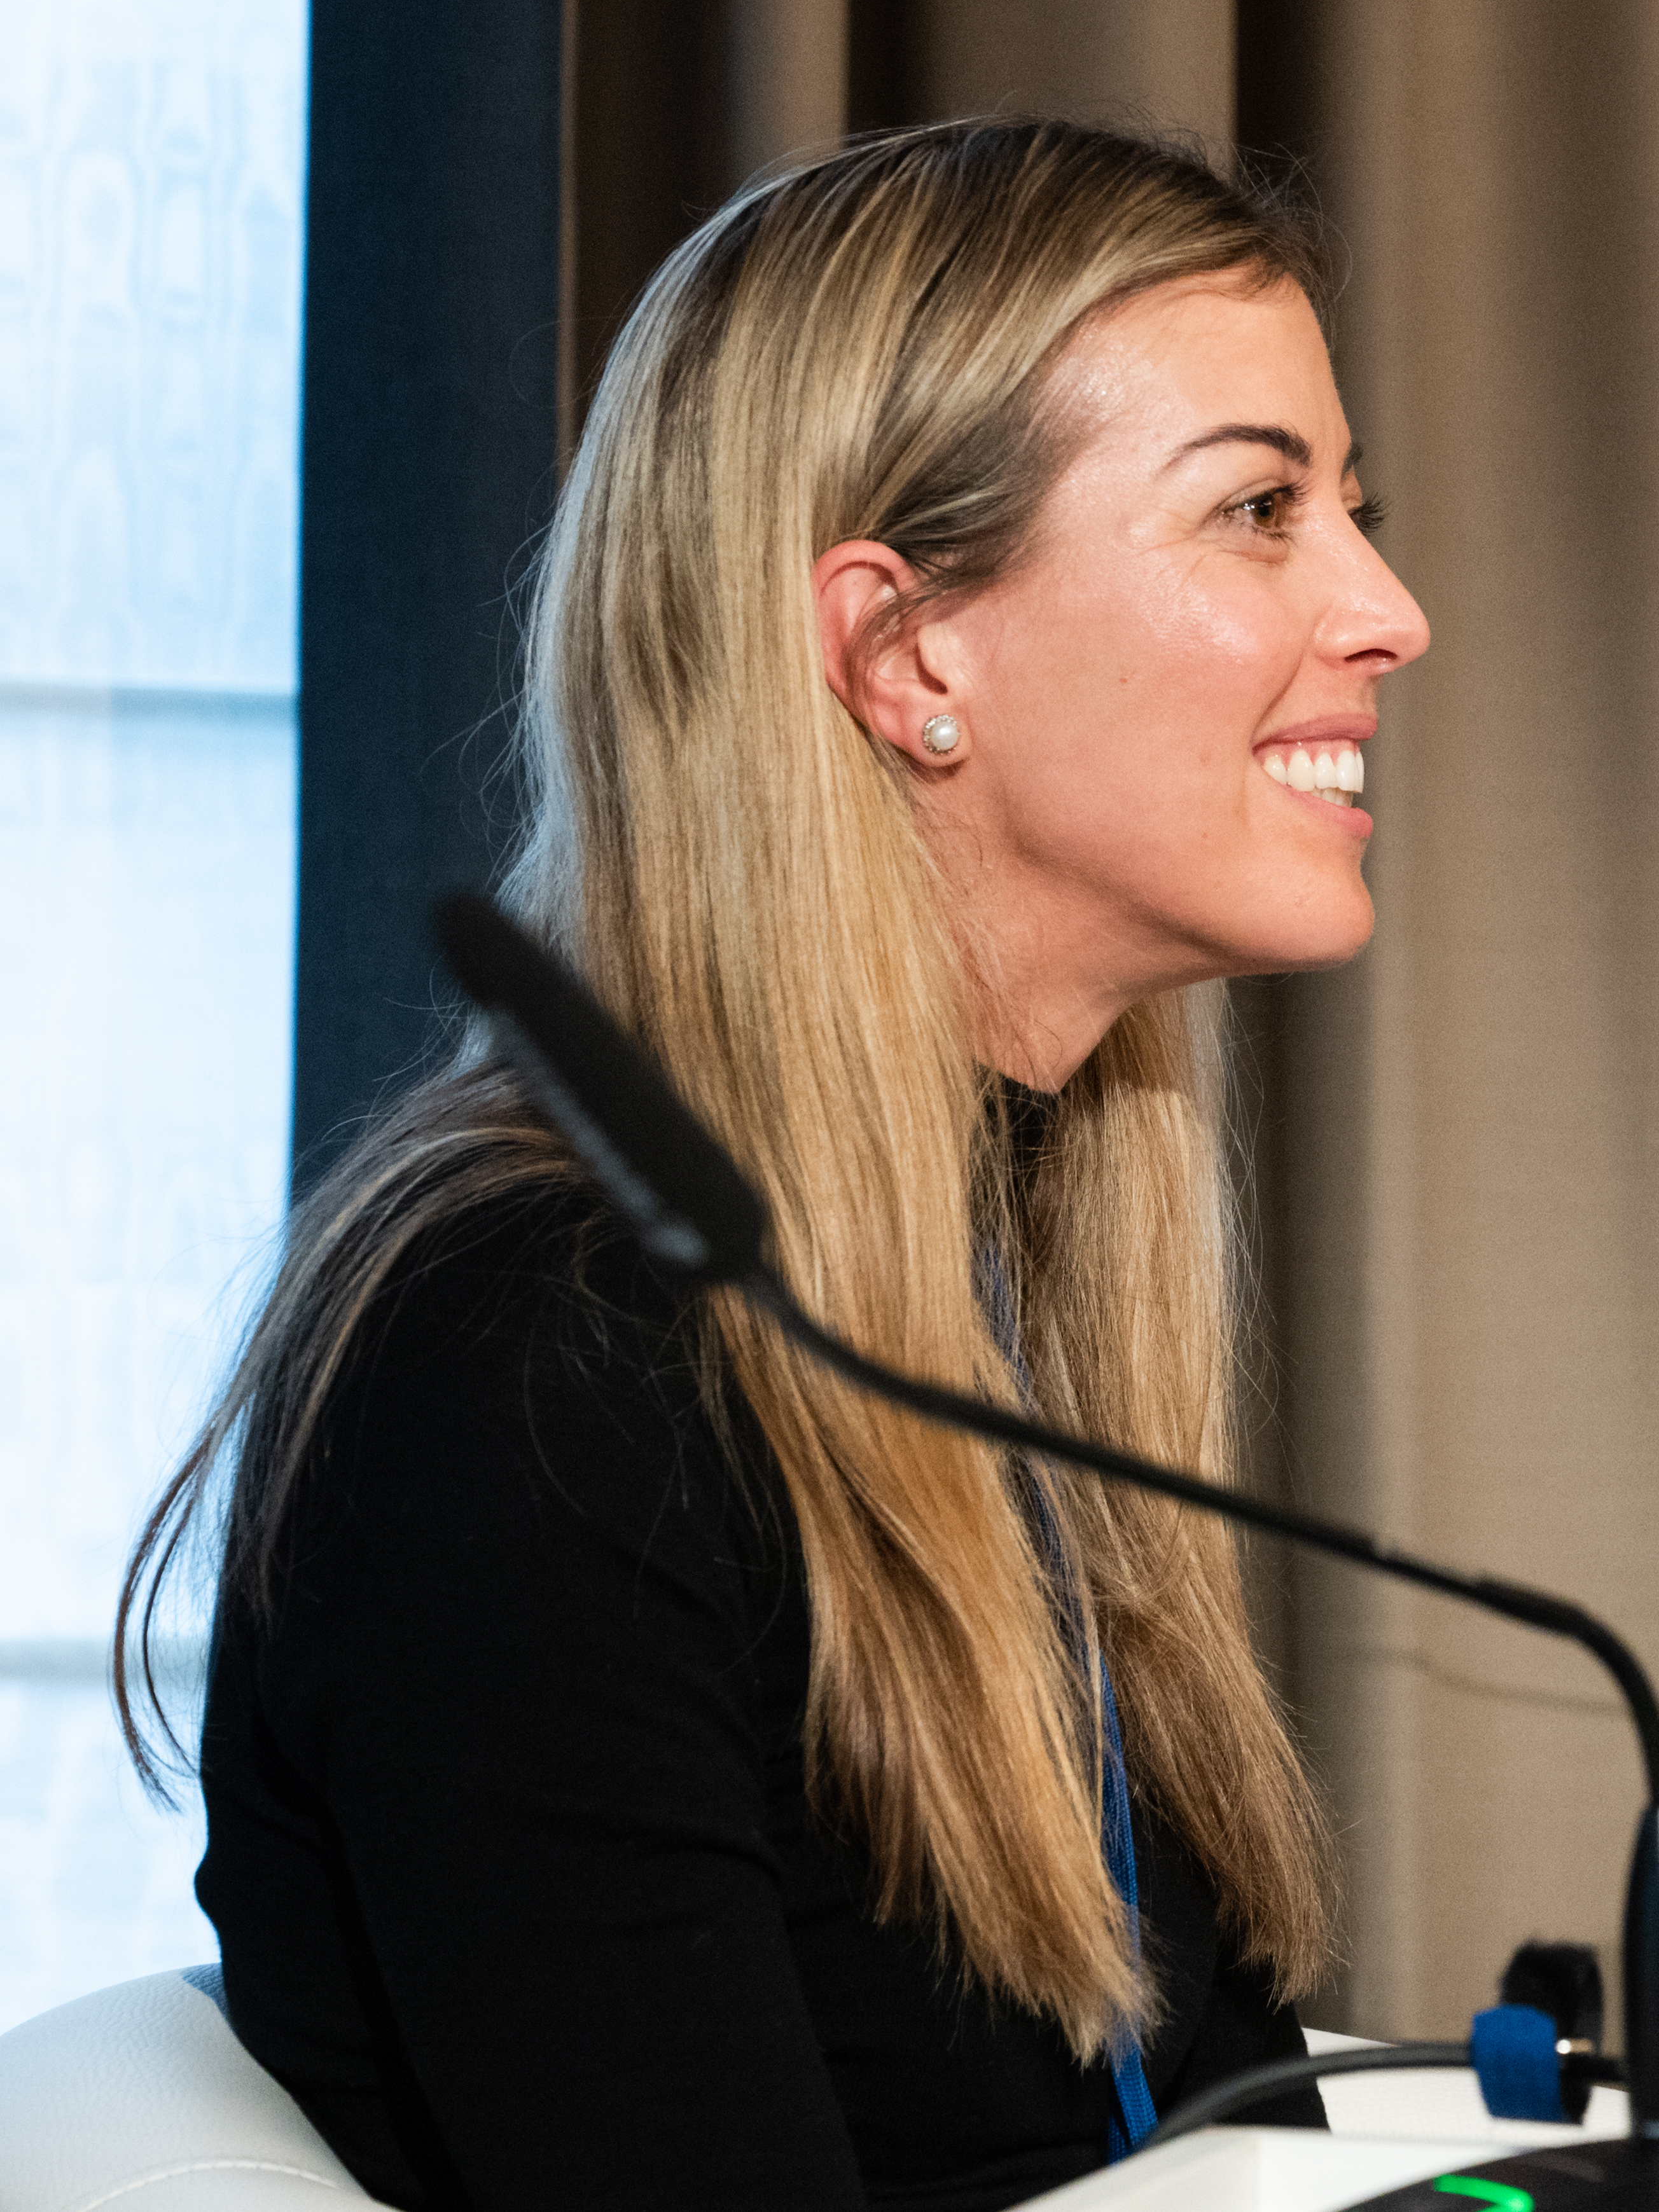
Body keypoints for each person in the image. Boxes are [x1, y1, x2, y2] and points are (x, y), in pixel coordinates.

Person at [116, 119, 1430, 2211]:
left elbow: (1207, 2128)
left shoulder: (982, 1277)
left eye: (1349, 509)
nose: (1386, 612)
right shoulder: (537, 1381)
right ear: (908, 656)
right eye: (1258, 511)